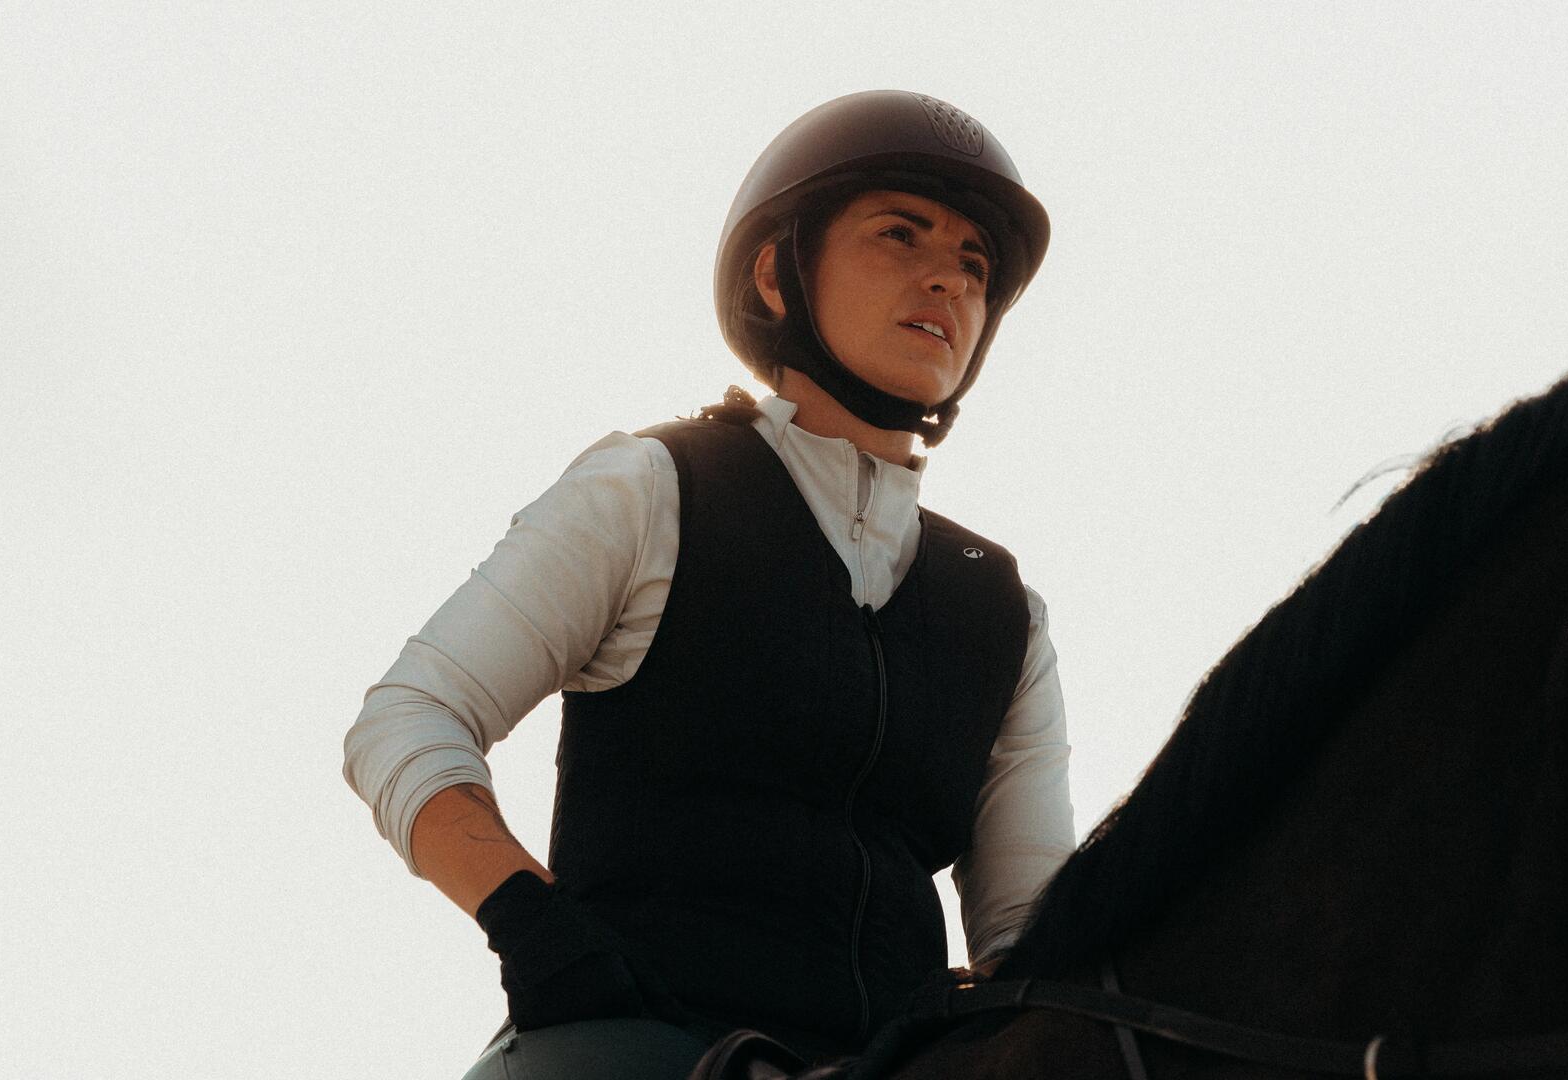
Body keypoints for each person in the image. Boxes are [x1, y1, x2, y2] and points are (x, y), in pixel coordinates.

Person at [342, 90, 1075, 1080]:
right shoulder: (651, 488)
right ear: (777, 276)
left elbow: (1030, 929)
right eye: (901, 236)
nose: (948, 278)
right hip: (629, 1046)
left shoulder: (1004, 611)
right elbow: (407, 718)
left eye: (974, 265)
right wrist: (534, 927)